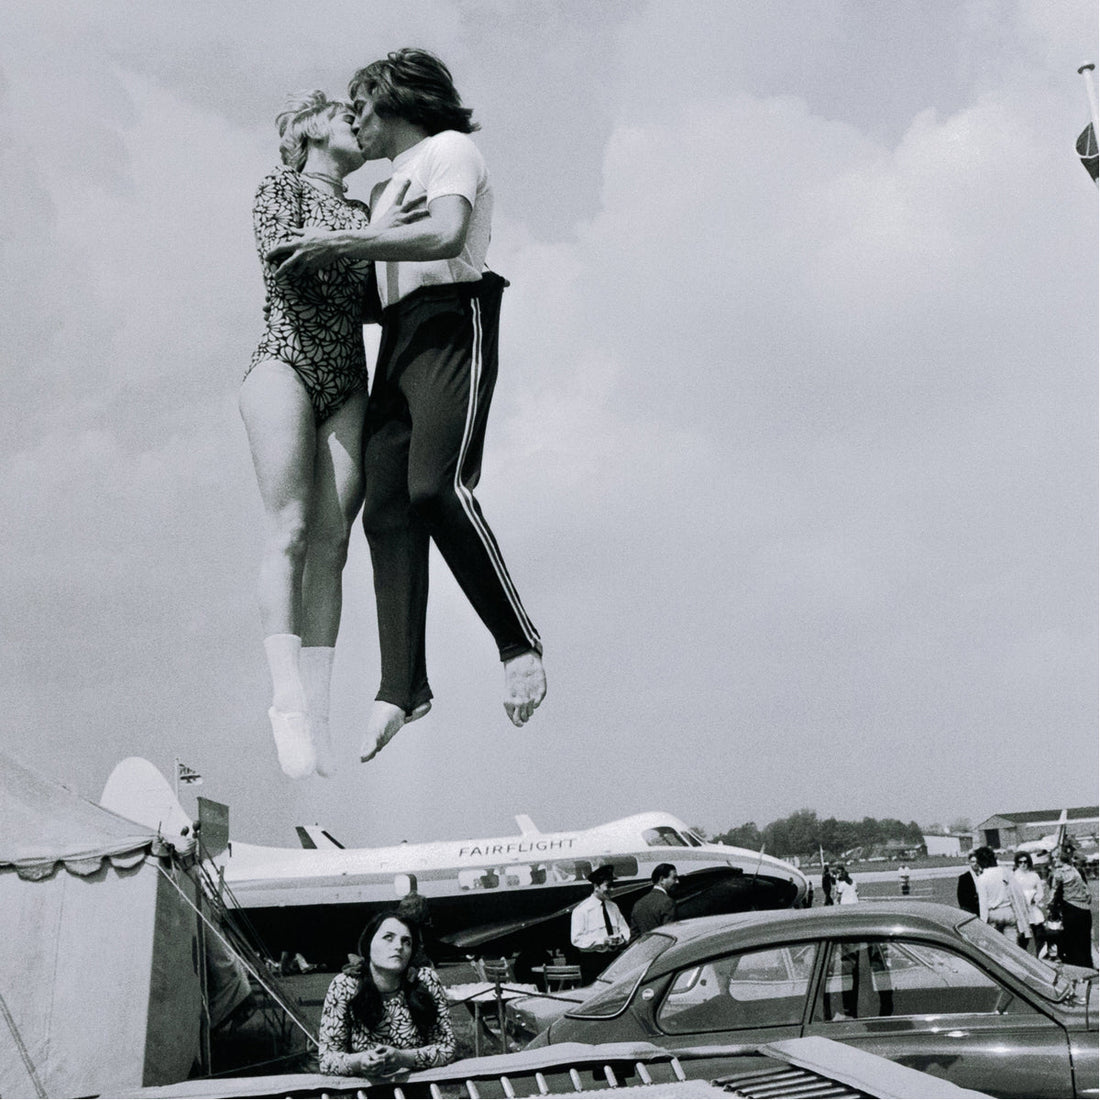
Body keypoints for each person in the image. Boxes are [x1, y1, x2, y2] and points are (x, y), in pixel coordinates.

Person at [267, 49, 546, 763]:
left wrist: (341, 241)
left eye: (360, 107)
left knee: (436, 487)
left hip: (455, 319)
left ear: (392, 102)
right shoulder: (386, 192)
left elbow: (447, 233)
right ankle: (402, 686)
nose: (355, 120)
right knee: (386, 509)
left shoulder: (450, 151)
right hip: (398, 339)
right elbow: (363, 282)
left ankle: (518, 645)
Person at [241, 91, 422, 779]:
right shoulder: (279, 188)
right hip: (285, 362)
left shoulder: (359, 212)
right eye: (346, 114)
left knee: (335, 540)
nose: (359, 119)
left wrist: (392, 237)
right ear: (312, 131)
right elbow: (283, 255)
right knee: (288, 528)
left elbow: (377, 302)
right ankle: (285, 699)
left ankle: (316, 706)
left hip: (346, 377)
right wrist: (368, 240)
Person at [318, 912, 456, 1075]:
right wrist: (359, 1062)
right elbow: (327, 1060)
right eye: (388, 938)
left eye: (406, 942)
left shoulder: (425, 980)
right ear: (368, 944)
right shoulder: (345, 985)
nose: (398, 946)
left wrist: (403, 1058)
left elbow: (447, 1048)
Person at [570, 865, 630, 982]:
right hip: (593, 963)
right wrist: (602, 941)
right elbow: (577, 940)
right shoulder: (582, 910)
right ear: (596, 886)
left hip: (614, 960)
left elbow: (625, 929)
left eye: (613, 886)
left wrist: (621, 938)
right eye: (608, 886)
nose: (612, 890)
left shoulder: (613, 907)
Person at [1048, 844, 1094, 968]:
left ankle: (1075, 968)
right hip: (1084, 910)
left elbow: (1053, 895)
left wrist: (1051, 908)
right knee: (1084, 942)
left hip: (1070, 909)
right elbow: (1088, 894)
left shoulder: (1059, 873)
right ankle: (1087, 967)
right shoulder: (1077, 871)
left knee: (1071, 943)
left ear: (1058, 860)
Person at [973, 846, 1030, 944]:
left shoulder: (982, 879)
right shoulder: (1005, 872)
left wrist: (983, 922)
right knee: (1012, 946)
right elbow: (1017, 892)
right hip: (1008, 911)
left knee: (996, 947)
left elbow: (983, 904)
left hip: (993, 913)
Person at [629, 864, 678, 936]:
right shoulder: (668, 902)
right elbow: (671, 934)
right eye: (674, 878)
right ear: (661, 879)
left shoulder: (638, 904)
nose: (677, 881)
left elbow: (634, 937)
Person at [1013, 851, 1046, 954]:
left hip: (1033, 908)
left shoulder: (1034, 876)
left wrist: (1035, 898)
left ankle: (1040, 955)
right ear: (1017, 863)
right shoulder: (1014, 876)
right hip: (1020, 910)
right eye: (1020, 862)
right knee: (1023, 938)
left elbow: (1040, 892)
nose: (1023, 864)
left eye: (1025, 862)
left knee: (1040, 934)